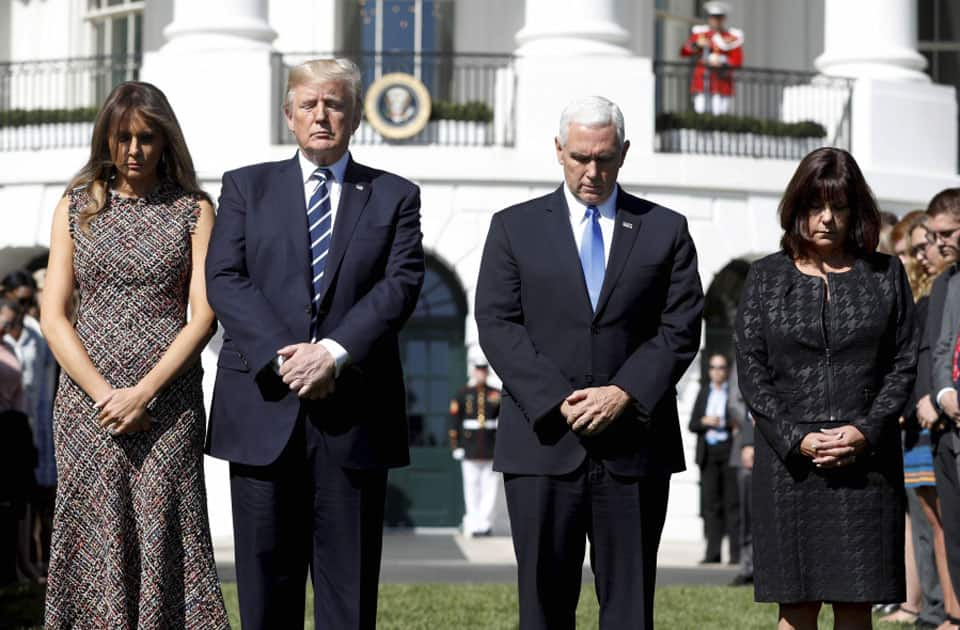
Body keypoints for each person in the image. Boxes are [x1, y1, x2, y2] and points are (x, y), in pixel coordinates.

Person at [205, 58, 425, 630]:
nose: (321, 115)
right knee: (264, 594)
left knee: (348, 596)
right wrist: (289, 353)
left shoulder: (395, 196)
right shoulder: (244, 187)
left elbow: (399, 285)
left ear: (354, 116)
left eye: (334, 104)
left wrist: (331, 352)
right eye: (309, 104)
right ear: (289, 115)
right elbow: (225, 278)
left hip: (353, 414)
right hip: (263, 411)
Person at [475, 95, 704, 630]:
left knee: (629, 608)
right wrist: (560, 400)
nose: (592, 171)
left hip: (633, 447)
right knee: (542, 607)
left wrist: (622, 394)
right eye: (580, 157)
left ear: (624, 153)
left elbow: (680, 327)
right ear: (559, 151)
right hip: (543, 443)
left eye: (604, 158)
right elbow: (497, 323)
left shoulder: (664, 229)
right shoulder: (514, 227)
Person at [40, 81, 228, 628]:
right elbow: (54, 316)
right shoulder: (76, 206)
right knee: (94, 531)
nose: (134, 150)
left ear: (165, 141)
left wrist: (144, 392)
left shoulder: (194, 210)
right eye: (123, 137)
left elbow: (204, 315)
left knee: (169, 527)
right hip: (86, 407)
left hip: (168, 407)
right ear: (107, 139)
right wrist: (107, 397)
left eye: (147, 137)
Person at [735, 147, 917, 630]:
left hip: (867, 463)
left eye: (839, 207)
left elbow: (902, 363)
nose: (827, 219)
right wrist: (796, 438)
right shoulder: (766, 278)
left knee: (856, 605)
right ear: (797, 207)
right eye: (816, 206)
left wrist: (865, 431)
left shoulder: (886, 275)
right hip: (789, 466)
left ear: (856, 211)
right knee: (796, 608)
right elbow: (751, 369)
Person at [2, 270, 57, 575]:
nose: (24, 308)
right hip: (9, 424)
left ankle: (33, 561)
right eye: (19, 301)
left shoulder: (37, 334)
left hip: (34, 424)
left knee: (36, 498)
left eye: (27, 301)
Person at [928, 188, 960, 630]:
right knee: (954, 540)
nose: (938, 244)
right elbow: (940, 351)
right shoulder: (948, 282)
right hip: (948, 431)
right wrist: (944, 394)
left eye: (947, 233)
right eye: (934, 235)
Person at [688, 353, 739, 565]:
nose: (717, 371)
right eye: (713, 367)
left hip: (728, 450)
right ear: (709, 370)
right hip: (708, 453)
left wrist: (724, 422)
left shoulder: (733, 392)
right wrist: (705, 421)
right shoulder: (703, 392)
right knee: (711, 506)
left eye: (721, 367)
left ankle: (736, 555)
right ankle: (713, 553)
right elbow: (692, 424)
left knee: (732, 504)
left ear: (726, 370)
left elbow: (738, 419)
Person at [448, 359, 500, 537]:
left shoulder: (496, 394)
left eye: (483, 370)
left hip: (490, 446)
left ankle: (485, 524)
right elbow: (454, 421)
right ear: (473, 372)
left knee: (489, 487)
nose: (481, 374)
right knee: (471, 487)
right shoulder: (463, 393)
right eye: (478, 370)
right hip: (469, 447)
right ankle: (473, 522)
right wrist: (456, 445)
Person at [680, 1, 744, 116]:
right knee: (700, 111)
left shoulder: (732, 37)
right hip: (702, 81)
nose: (715, 21)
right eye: (712, 17)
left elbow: (737, 61)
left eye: (718, 18)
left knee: (719, 115)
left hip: (722, 83)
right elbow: (684, 51)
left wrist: (723, 61)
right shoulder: (701, 34)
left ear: (723, 19)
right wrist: (697, 45)